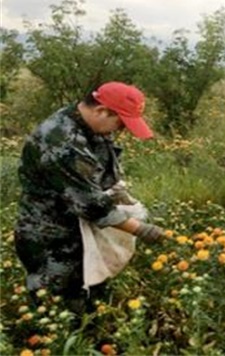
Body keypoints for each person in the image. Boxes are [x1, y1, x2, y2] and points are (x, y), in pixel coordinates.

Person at [14, 81, 167, 317]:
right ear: (101, 110)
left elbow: (100, 174)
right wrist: (141, 229)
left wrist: (119, 194)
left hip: (79, 229)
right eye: (121, 124)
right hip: (51, 237)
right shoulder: (62, 140)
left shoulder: (89, 125)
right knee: (59, 309)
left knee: (92, 297)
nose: (121, 131)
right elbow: (91, 204)